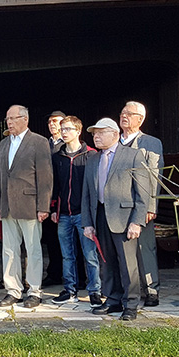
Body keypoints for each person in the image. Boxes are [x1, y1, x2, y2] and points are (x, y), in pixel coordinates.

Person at [81, 118, 149, 321]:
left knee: (128, 264)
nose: (96, 137)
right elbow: (87, 193)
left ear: (115, 134)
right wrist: (88, 222)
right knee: (107, 261)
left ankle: (131, 304)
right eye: (94, 134)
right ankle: (112, 300)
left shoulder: (133, 156)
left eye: (101, 133)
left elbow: (142, 192)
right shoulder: (93, 159)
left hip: (124, 217)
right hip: (100, 215)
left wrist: (137, 221)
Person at [0, 105, 53, 308]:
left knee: (33, 249)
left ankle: (34, 291)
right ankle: (13, 290)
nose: (9, 122)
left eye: (13, 118)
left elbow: (45, 177)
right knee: (9, 250)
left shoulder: (38, 142)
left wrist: (43, 206)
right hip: (8, 206)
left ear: (25, 119)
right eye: (7, 119)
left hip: (30, 205)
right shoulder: (3, 144)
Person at [49, 116, 102, 307]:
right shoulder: (57, 157)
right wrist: (54, 207)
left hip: (84, 214)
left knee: (90, 254)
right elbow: (55, 185)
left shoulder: (92, 155)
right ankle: (69, 289)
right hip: (63, 213)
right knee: (67, 255)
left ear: (78, 131)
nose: (63, 132)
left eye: (68, 129)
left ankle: (94, 291)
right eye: (62, 129)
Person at [119, 101, 164, 307]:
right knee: (123, 250)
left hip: (141, 204)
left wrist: (150, 206)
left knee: (145, 247)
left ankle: (151, 289)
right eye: (122, 113)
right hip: (118, 206)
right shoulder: (114, 142)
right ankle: (128, 288)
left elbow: (155, 175)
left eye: (129, 113)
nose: (124, 116)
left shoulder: (150, 143)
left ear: (141, 119)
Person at [42, 110, 66, 287]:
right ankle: (54, 273)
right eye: (50, 121)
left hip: (65, 199)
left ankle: (75, 275)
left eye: (56, 121)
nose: (52, 124)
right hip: (47, 199)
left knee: (69, 240)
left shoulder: (70, 145)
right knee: (51, 239)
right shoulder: (43, 144)